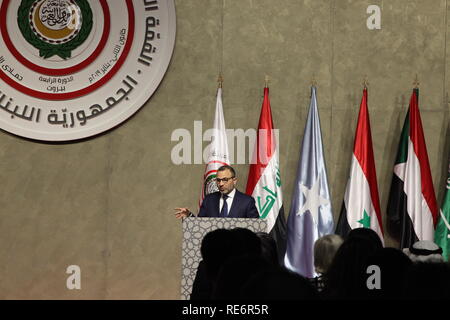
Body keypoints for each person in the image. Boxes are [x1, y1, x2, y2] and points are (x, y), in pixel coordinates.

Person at [175, 165, 259, 219]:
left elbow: (255, 229)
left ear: (234, 180)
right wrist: (189, 216)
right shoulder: (209, 200)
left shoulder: (247, 201)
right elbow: (200, 225)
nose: (221, 184)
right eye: (218, 180)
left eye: (225, 180)